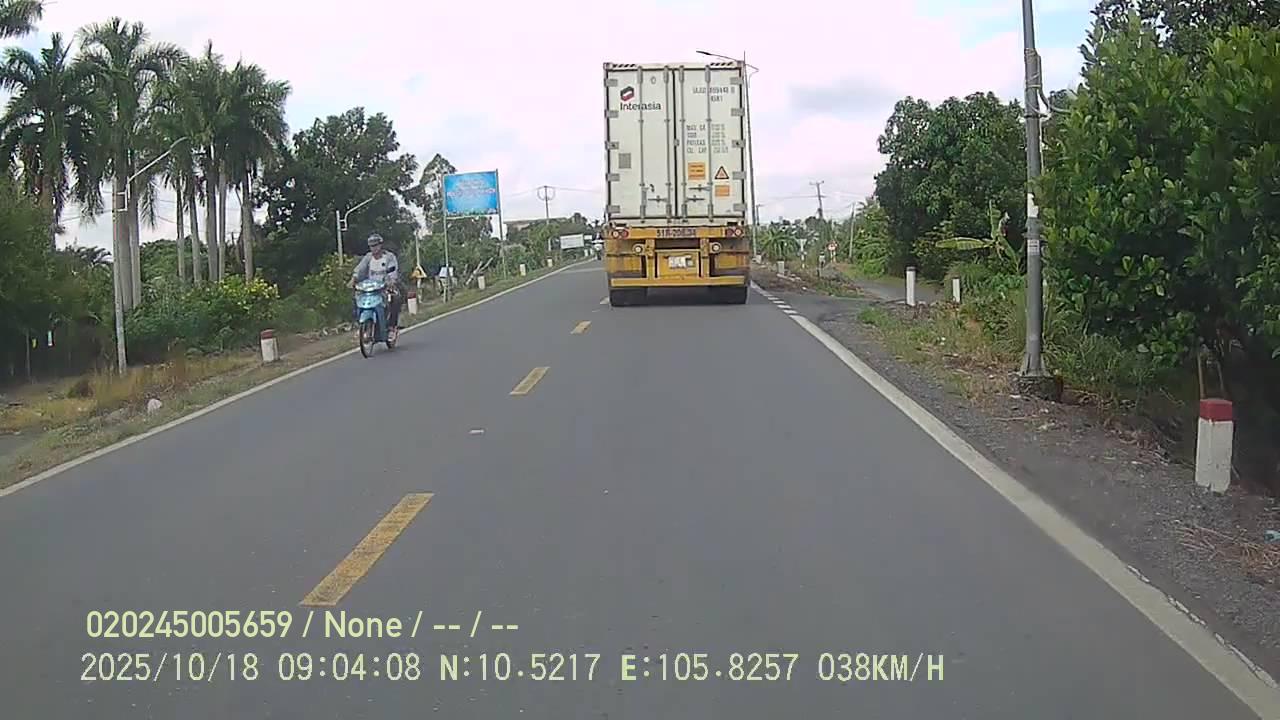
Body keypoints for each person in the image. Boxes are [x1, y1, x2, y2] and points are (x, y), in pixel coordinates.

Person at [349, 233, 403, 337]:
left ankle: (391, 327)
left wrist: (391, 281)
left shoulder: (389, 257)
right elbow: (360, 269)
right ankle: (360, 326)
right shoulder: (368, 257)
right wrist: (354, 278)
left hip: (384, 287)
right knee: (356, 299)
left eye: (375, 245)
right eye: (371, 246)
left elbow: (393, 270)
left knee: (395, 298)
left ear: (380, 245)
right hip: (369, 289)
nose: (373, 248)